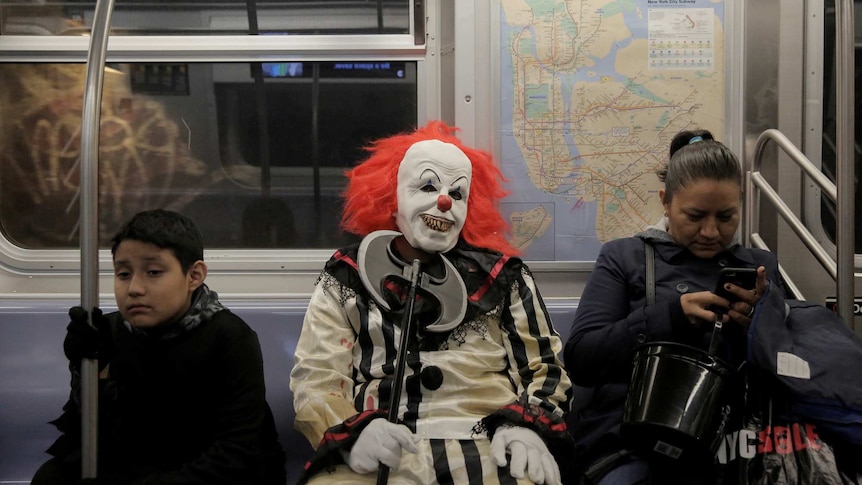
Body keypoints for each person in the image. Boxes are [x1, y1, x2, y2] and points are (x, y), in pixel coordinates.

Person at [290, 121, 573, 485]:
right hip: (383, 443)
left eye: (457, 194)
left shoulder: (503, 277)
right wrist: (354, 433)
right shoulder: (347, 275)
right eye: (427, 186)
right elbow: (317, 376)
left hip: (488, 444)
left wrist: (525, 427)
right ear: (391, 196)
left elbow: (544, 368)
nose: (444, 201)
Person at [563, 130, 786, 484]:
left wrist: (760, 326)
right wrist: (671, 316)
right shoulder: (625, 257)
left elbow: (791, 366)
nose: (711, 231)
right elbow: (582, 359)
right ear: (666, 202)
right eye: (695, 216)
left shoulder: (759, 266)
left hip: (738, 435)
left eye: (726, 217)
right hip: (634, 437)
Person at [32, 209, 286, 484]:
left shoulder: (230, 338)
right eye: (123, 273)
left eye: (153, 272)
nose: (134, 288)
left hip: (213, 471)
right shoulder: (108, 333)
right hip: (139, 462)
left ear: (194, 275)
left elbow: (237, 452)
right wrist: (90, 370)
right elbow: (91, 435)